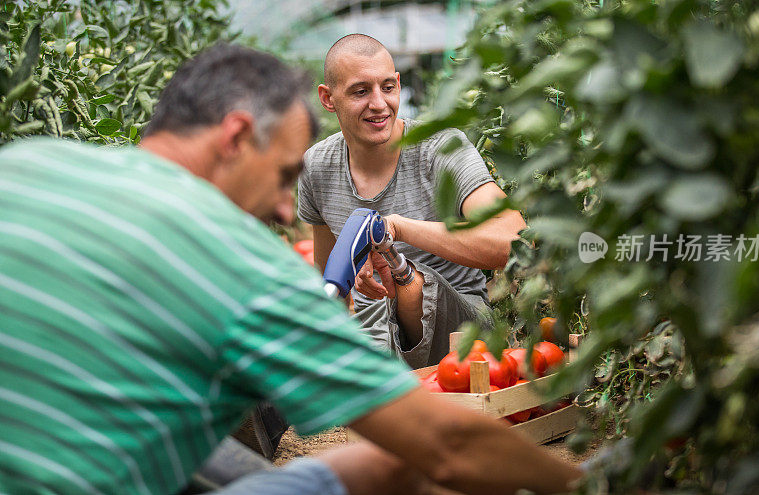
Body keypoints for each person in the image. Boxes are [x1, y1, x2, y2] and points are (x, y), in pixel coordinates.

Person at [0, 44, 581, 495]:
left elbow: (509, 238)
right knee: (388, 465)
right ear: (236, 137)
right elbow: (447, 445)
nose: (286, 210)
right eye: (283, 177)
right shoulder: (235, 263)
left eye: (388, 87)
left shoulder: (27, 164)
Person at [299, 34, 527, 369]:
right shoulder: (317, 167)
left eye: (388, 87)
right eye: (361, 91)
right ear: (328, 98)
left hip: (462, 339)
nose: (379, 104)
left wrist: (397, 231)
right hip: (377, 336)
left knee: (411, 278)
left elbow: (515, 241)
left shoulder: (441, 148)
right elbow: (330, 281)